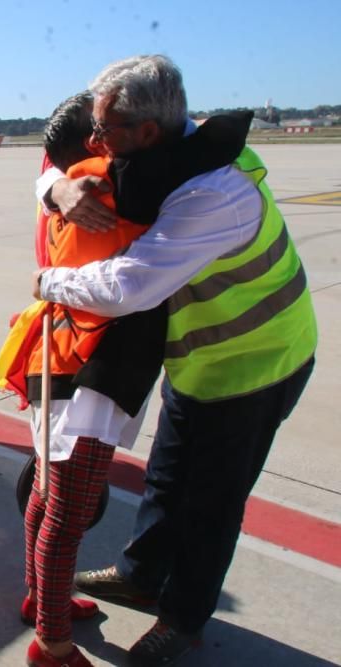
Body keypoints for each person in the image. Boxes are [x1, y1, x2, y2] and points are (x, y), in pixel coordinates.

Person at [34, 55, 317, 667]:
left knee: (211, 502)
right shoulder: (166, 153)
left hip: (255, 360)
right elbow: (66, 164)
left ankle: (183, 618)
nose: (95, 141)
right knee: (167, 477)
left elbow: (128, 287)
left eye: (106, 131)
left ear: (147, 131)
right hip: (197, 359)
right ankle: (141, 573)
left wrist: (49, 282)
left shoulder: (212, 190)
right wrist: (55, 187)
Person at [8, 92, 249, 667]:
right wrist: (218, 129)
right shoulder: (105, 184)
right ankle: (53, 643)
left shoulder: (69, 186)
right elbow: (195, 156)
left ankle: (42, 599)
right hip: (95, 366)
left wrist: (53, 186)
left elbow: (52, 180)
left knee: (48, 492)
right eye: (105, 128)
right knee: (68, 512)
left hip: (61, 351)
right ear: (92, 145)